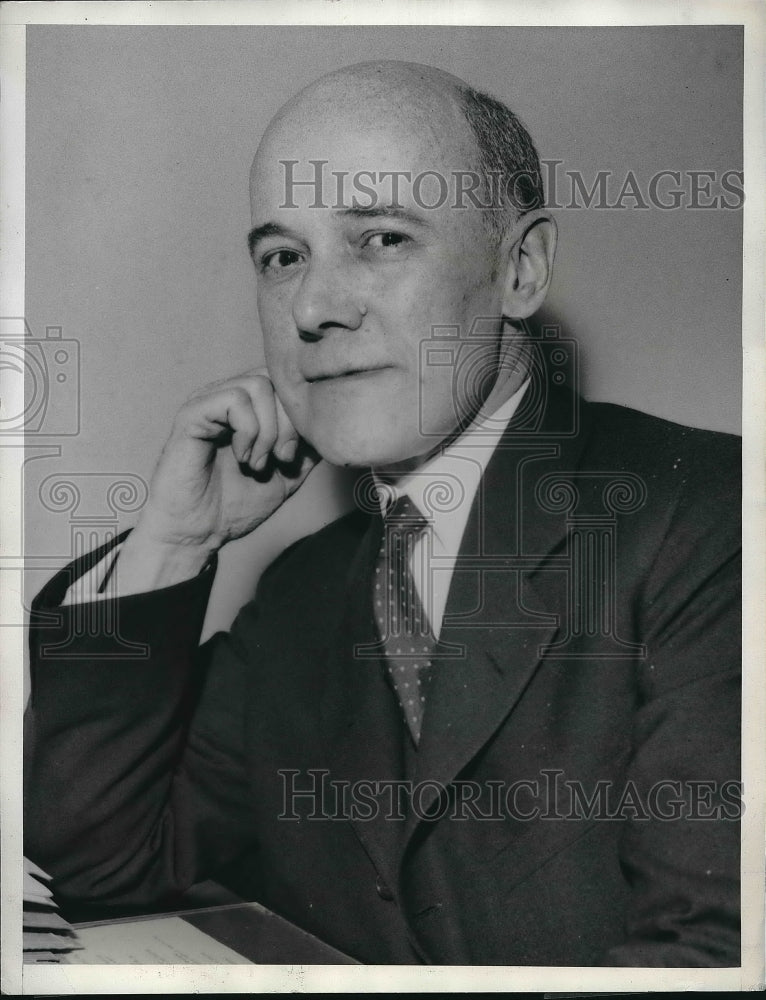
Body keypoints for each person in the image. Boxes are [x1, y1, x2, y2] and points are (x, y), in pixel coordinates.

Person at [24, 60, 740, 966]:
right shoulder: (303, 593)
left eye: (383, 240)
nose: (314, 307)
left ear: (520, 269)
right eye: (283, 257)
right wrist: (174, 545)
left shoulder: (707, 517)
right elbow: (98, 867)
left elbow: (710, 962)